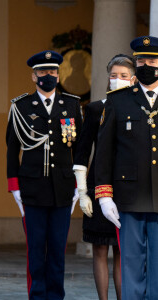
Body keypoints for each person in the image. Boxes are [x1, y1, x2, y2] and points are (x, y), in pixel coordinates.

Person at [6, 50, 82, 300]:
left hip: (62, 188)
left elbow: (80, 148)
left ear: (59, 75)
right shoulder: (21, 106)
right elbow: (12, 150)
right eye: (42, 72)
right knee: (36, 250)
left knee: (58, 250)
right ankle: (37, 296)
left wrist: (79, 186)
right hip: (32, 188)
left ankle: (55, 296)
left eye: (52, 71)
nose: (48, 75)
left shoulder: (71, 104)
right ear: (33, 76)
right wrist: (14, 186)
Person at [95, 35, 158, 299]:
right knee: (131, 261)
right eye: (140, 60)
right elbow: (104, 153)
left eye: (152, 60)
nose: (145, 65)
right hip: (128, 196)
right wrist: (104, 195)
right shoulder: (119, 101)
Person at [73, 54, 136, 300]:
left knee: (122, 250)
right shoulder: (96, 108)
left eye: (122, 76)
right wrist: (82, 192)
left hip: (127, 188)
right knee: (99, 248)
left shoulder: (140, 109)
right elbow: (82, 151)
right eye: (113, 76)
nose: (117, 80)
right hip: (98, 185)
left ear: (133, 79)